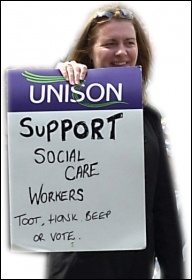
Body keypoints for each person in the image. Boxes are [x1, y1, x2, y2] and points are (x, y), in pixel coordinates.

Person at [46, 2, 185, 279]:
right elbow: (31, 149)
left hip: (133, 268)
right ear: (90, 52)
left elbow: (164, 211)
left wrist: (175, 271)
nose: (122, 52)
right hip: (75, 268)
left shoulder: (149, 119)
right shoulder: (62, 106)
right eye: (110, 43)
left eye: (129, 42)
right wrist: (58, 80)